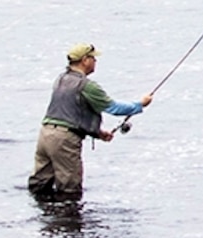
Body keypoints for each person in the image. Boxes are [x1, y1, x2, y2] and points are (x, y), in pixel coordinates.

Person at [29, 43, 149, 200]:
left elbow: (70, 111)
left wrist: (97, 133)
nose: (95, 62)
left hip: (45, 135)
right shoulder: (87, 86)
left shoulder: (61, 79)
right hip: (64, 140)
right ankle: (68, 222)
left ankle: (43, 220)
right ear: (85, 60)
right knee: (70, 190)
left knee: (40, 186)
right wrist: (140, 104)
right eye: (93, 58)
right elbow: (113, 108)